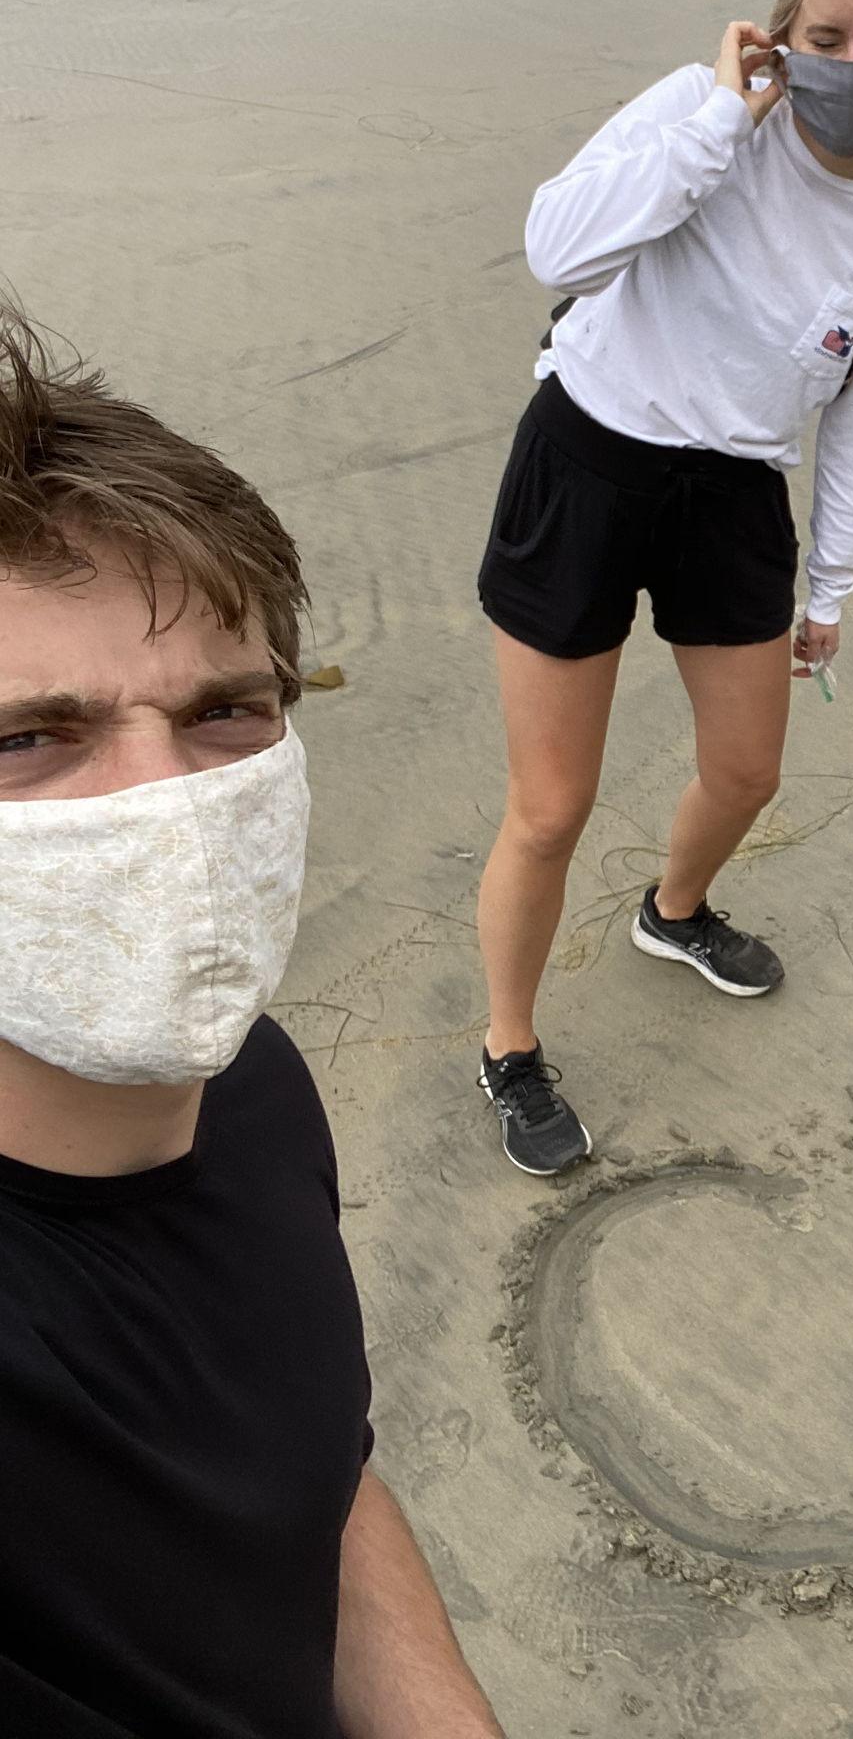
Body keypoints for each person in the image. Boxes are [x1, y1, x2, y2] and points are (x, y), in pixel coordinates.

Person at [0, 302, 502, 1738]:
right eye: (31, 737)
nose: (163, 804)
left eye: (227, 714)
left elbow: (312, 1475)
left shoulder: (258, 1084)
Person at [473, 0, 853, 1174]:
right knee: (551, 806)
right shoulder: (699, 117)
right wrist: (716, 127)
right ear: (776, 40)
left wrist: (831, 586)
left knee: (746, 772)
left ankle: (671, 911)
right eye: (826, 37)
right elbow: (559, 245)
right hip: (583, 458)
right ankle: (510, 1047)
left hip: (735, 497)